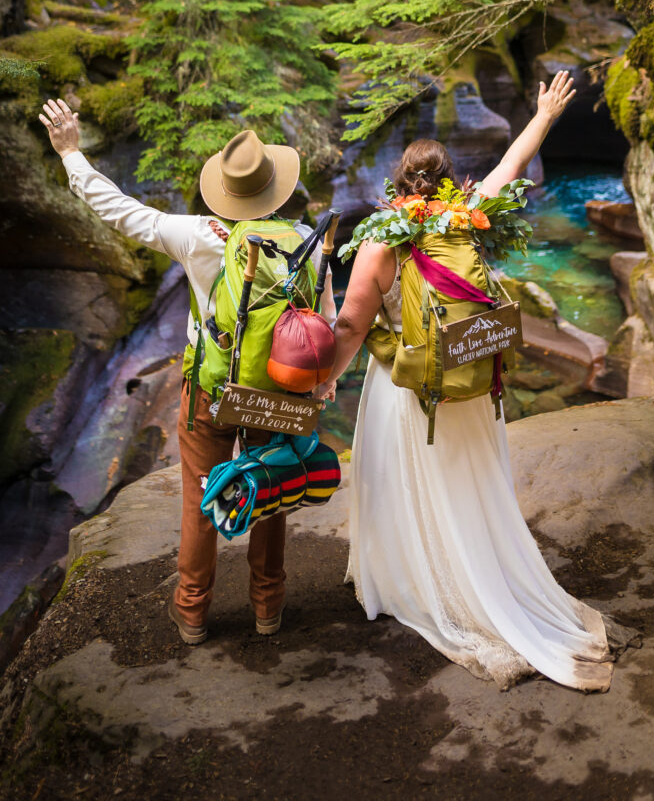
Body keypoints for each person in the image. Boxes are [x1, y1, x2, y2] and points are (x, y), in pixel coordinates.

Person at [317, 70, 616, 692]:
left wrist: (324, 383)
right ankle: (489, 576)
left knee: (410, 484)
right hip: (473, 382)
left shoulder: (378, 243)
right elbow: (511, 165)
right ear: (450, 182)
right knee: (472, 485)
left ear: (398, 188)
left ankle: (426, 582)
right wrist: (545, 115)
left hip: (410, 390)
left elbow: (348, 326)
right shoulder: (467, 217)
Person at [39, 99, 336, 645]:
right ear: (276, 187)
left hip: (212, 390)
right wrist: (323, 385)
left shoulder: (199, 236)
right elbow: (327, 322)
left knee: (201, 495)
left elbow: (123, 211)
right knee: (270, 486)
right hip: (279, 390)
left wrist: (72, 154)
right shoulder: (305, 242)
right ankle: (268, 605)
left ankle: (192, 611)